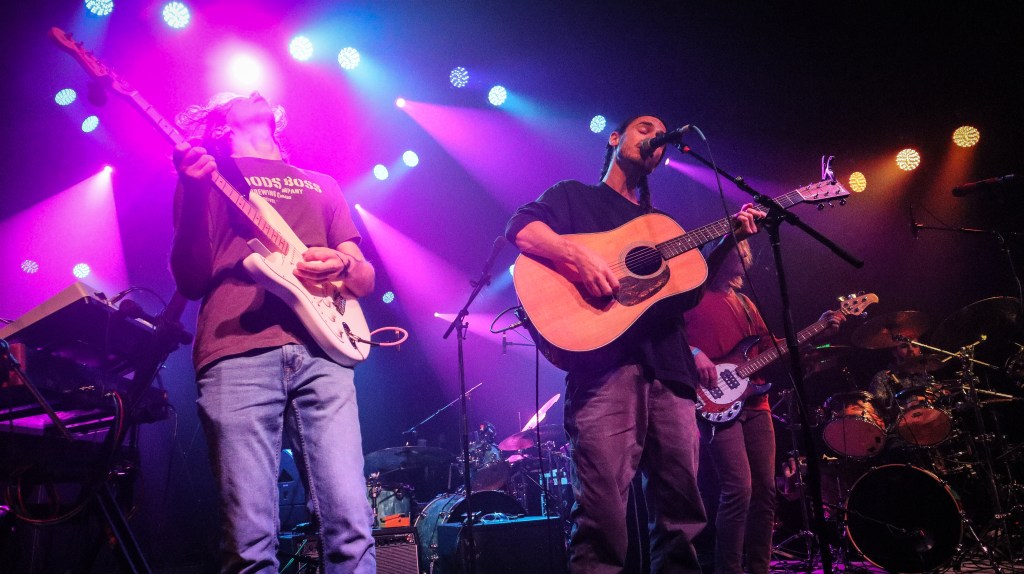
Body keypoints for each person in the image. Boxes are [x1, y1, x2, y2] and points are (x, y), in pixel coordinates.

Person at [505, 114, 764, 574]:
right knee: (602, 516)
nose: (655, 138)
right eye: (645, 128)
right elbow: (522, 229)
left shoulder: (661, 226)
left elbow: (690, 288)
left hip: (672, 372)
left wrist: (728, 240)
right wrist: (578, 257)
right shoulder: (575, 196)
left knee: (683, 519)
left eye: (661, 137)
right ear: (615, 138)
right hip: (604, 371)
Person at [170, 91, 376, 573]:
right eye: (238, 94)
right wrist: (194, 192)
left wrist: (342, 262)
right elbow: (190, 280)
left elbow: (364, 278)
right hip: (236, 350)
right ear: (221, 123)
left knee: (351, 526)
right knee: (249, 541)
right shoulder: (207, 174)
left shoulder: (321, 184)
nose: (254, 92)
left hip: (324, 353)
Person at [684, 240, 843, 574]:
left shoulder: (745, 303)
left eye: (746, 249)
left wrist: (816, 330)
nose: (745, 254)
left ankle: (760, 568)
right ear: (720, 252)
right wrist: (694, 353)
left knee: (766, 492)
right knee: (738, 490)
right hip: (713, 400)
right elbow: (671, 336)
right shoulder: (693, 296)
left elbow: (769, 346)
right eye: (737, 247)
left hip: (756, 402)